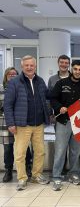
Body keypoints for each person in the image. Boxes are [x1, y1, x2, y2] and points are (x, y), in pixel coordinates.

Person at [4, 56, 50, 191]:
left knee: (40, 151)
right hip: (22, 124)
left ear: (35, 66)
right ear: (22, 66)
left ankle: (36, 175)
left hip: (38, 124)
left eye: (32, 65)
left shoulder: (40, 81)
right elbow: (8, 105)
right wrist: (11, 123)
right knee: (20, 153)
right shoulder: (15, 82)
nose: (29, 68)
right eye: (27, 65)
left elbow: (46, 99)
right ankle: (22, 178)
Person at [50, 60, 80, 191]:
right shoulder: (61, 83)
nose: (78, 72)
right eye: (75, 69)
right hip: (63, 121)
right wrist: (59, 107)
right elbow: (52, 98)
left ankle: (73, 174)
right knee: (60, 150)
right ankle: (56, 176)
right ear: (72, 69)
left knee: (76, 150)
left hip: (79, 121)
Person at [0, 67, 33, 183]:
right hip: (5, 123)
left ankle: (28, 168)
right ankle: (8, 171)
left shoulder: (22, 87)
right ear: (6, 76)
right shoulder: (1, 89)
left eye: (15, 74)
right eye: (10, 74)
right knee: (8, 148)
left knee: (24, 147)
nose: (12, 76)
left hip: (21, 121)